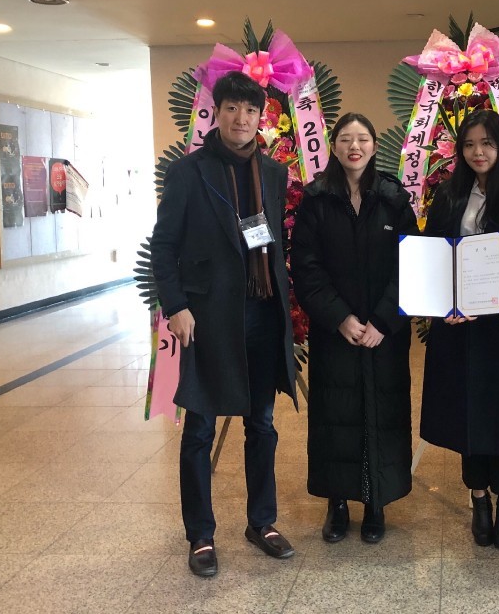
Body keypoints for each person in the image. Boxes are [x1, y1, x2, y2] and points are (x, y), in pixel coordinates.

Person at [150, 71, 298, 577]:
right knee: (200, 428)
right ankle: (201, 534)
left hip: (262, 313)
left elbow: (272, 240)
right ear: (217, 112)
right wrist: (176, 305)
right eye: (233, 108)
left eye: (251, 110)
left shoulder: (272, 173)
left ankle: (262, 522)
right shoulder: (189, 172)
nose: (242, 118)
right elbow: (163, 246)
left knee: (262, 424)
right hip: (207, 318)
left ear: (261, 117)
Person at [419, 108, 499, 550]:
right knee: (467, 412)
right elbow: (435, 252)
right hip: (459, 326)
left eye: (486, 143)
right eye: (469, 144)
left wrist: (486, 300)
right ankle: (478, 498)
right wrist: (445, 303)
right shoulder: (449, 194)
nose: (478, 152)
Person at [291, 112, 418, 544]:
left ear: (374, 146)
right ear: (334, 146)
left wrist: (383, 320)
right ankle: (338, 504)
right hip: (337, 333)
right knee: (336, 417)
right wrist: (340, 317)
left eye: (363, 138)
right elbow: (306, 267)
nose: (354, 146)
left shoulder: (394, 200)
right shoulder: (316, 200)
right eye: (345, 139)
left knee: (383, 413)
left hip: (385, 334)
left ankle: (376, 503)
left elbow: (411, 265)